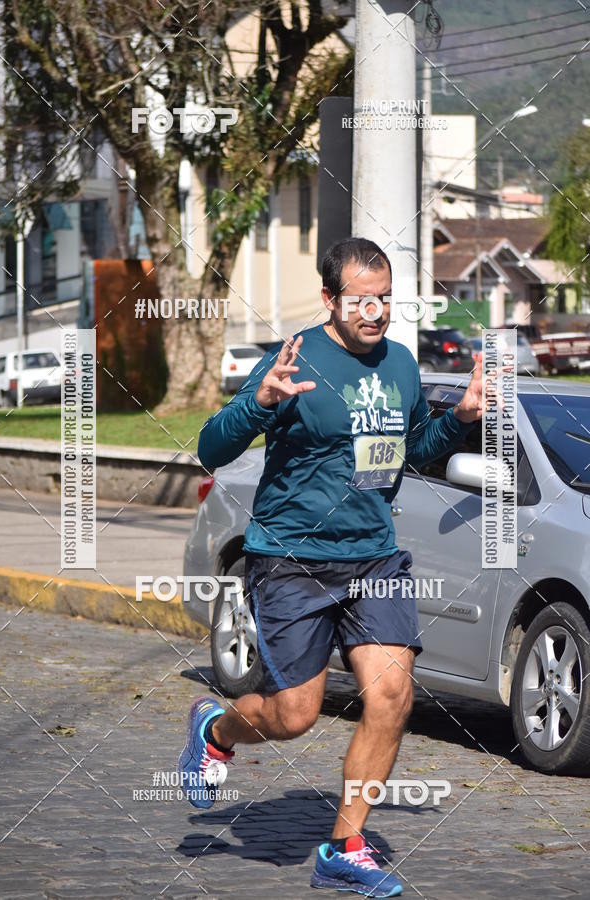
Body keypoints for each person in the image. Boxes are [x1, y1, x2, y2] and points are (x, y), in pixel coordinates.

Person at [179, 237, 483, 898]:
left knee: (392, 695)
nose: (374, 313)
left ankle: (344, 846)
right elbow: (209, 448)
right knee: (293, 716)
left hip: (373, 554)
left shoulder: (400, 364)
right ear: (329, 300)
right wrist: (259, 402)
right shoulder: (295, 359)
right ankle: (217, 730)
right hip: (291, 560)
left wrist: (457, 420)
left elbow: (411, 450)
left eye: (384, 299)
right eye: (360, 301)